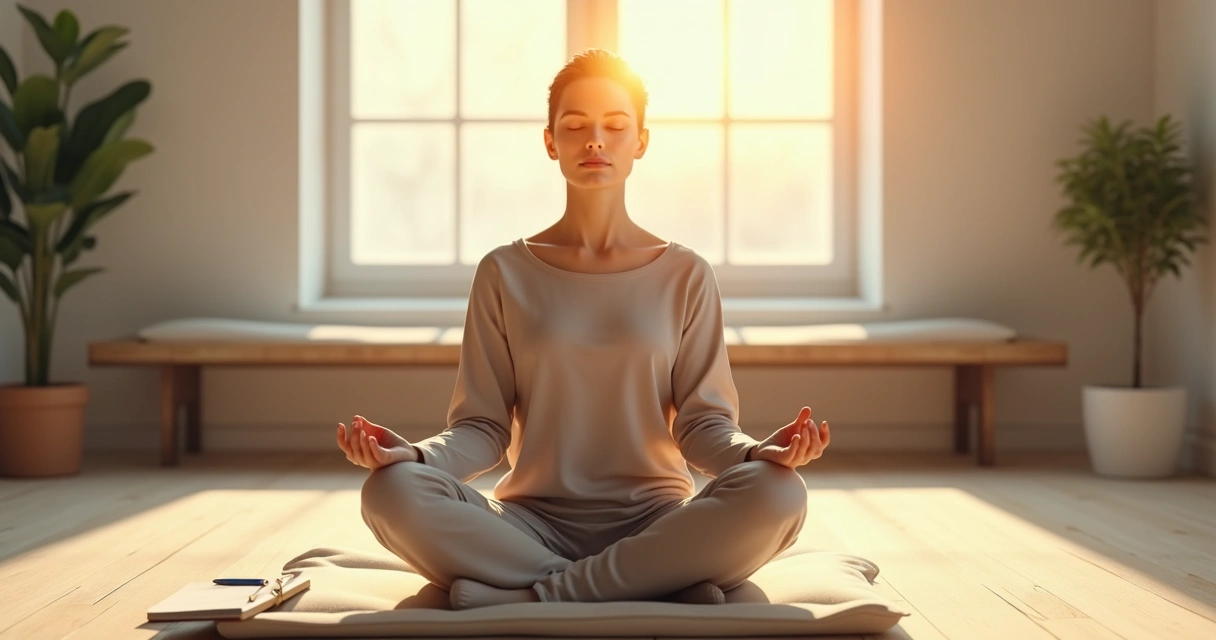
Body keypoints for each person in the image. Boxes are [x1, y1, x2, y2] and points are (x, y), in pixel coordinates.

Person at [336, 48, 830, 610]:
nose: (595, 140)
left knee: (779, 492)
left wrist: (755, 455)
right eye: (575, 127)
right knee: (388, 491)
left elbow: (703, 425)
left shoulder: (686, 274)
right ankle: (650, 586)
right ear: (551, 142)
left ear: (640, 141)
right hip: (527, 525)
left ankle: (536, 592)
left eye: (615, 127)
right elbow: (482, 427)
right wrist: (417, 458)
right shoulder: (504, 271)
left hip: (658, 524)